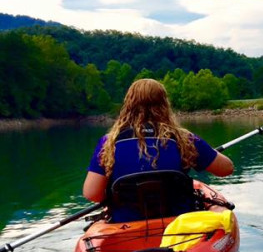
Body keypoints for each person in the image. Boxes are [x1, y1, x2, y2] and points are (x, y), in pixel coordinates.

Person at [83, 78, 233, 221]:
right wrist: (205, 152)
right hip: (179, 225)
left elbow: (92, 193)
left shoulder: (109, 143)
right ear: (164, 104)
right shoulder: (185, 140)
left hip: (127, 225)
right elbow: (226, 169)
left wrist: (114, 199)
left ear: (128, 105)